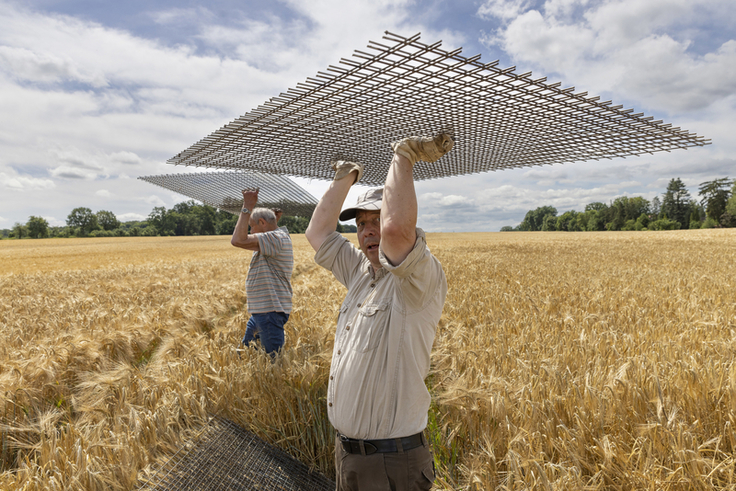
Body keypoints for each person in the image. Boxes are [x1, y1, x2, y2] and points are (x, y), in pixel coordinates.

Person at [305, 134, 453, 490]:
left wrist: (404, 156)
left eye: (376, 220)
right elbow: (317, 231)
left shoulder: (416, 279)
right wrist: (346, 176)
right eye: (360, 224)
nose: (369, 231)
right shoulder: (359, 272)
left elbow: (396, 232)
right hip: (349, 456)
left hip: (391, 464)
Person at [231, 188, 293, 355]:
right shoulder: (275, 237)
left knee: (272, 360)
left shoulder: (275, 239)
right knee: (247, 353)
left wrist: (247, 206)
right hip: (263, 311)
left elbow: (238, 240)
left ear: (262, 223)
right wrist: (272, 220)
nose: (250, 231)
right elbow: (262, 232)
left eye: (251, 226)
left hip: (269, 311)